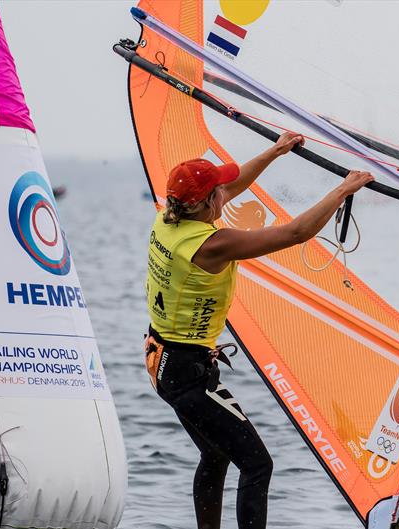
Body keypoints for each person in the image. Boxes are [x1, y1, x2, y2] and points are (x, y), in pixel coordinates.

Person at [143, 131, 374, 529]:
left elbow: (230, 186)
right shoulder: (212, 245)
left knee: (216, 455)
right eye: (218, 192)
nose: (225, 194)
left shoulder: (169, 217)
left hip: (163, 360)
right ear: (204, 203)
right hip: (186, 373)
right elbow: (294, 234)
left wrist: (275, 151)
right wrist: (345, 189)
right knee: (257, 465)